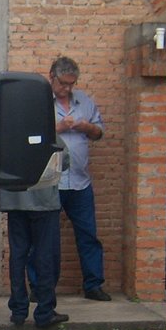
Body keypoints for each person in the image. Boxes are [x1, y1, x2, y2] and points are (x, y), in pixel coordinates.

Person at [49, 56, 109, 301]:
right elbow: (31, 134)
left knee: (88, 235)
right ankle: (42, 287)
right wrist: (60, 127)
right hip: (51, 181)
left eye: (71, 84)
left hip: (80, 181)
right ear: (52, 78)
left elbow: (99, 132)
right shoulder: (40, 101)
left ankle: (93, 285)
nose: (67, 88)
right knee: (46, 238)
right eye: (63, 83)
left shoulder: (84, 101)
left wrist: (87, 127)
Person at [0, 150, 68, 330]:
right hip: (44, 199)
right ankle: (44, 312)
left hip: (14, 198)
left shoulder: (5, 133)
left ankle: (18, 310)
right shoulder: (47, 131)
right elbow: (64, 160)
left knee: (17, 255)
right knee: (45, 255)